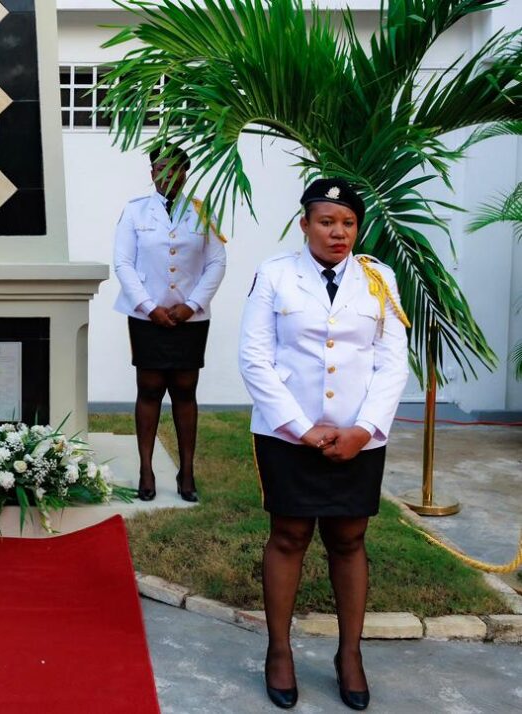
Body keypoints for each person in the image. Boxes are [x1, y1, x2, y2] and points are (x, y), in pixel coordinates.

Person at [238, 178, 410, 710]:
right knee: (288, 536)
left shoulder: (378, 279)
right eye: (327, 221)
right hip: (288, 434)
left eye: (348, 223)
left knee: (349, 539)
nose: (339, 233)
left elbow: (392, 361)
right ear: (305, 224)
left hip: (360, 435)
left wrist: (364, 430)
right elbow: (254, 359)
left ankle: (349, 654)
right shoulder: (275, 276)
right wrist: (300, 426)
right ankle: (280, 651)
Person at [113, 143, 227, 502]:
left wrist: (191, 305)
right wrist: (149, 306)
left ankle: (187, 471)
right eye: (160, 169)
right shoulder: (134, 213)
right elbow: (123, 264)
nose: (167, 176)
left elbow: (217, 263)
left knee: (184, 390)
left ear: (186, 172)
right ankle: (147, 470)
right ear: (152, 174)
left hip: (189, 319)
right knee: (148, 389)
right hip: (148, 317)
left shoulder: (203, 212)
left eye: (175, 169)